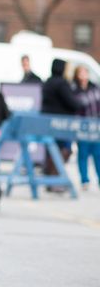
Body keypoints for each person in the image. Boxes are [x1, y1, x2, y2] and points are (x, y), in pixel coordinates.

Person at [42, 58, 82, 187]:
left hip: (47, 123)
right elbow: (73, 103)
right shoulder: (62, 83)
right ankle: (55, 180)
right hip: (61, 125)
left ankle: (50, 179)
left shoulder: (47, 82)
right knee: (64, 149)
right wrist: (80, 103)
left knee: (51, 151)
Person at [72, 65, 100, 190]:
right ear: (77, 75)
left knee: (97, 153)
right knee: (82, 153)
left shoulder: (95, 88)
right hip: (82, 126)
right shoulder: (75, 91)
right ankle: (84, 180)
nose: (83, 76)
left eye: (85, 73)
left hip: (95, 125)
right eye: (80, 73)